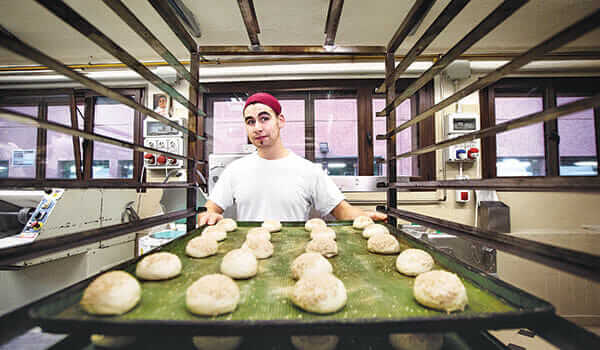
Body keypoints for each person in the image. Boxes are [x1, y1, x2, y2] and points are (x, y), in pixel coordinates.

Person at [198, 92, 387, 226]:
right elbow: (210, 209)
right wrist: (208, 217)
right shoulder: (235, 170)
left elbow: (342, 211)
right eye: (250, 122)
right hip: (250, 253)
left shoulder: (308, 170)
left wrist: (363, 215)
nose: (257, 128)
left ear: (280, 121)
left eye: (264, 118)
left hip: (295, 257)